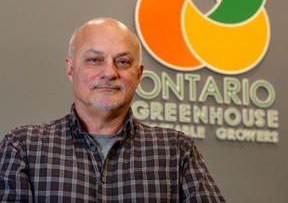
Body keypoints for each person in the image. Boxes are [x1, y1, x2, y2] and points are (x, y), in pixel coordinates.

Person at [0, 17, 225, 202]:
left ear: (138, 75)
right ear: (71, 69)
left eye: (123, 62)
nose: (109, 72)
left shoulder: (176, 151)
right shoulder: (23, 148)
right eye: (95, 60)